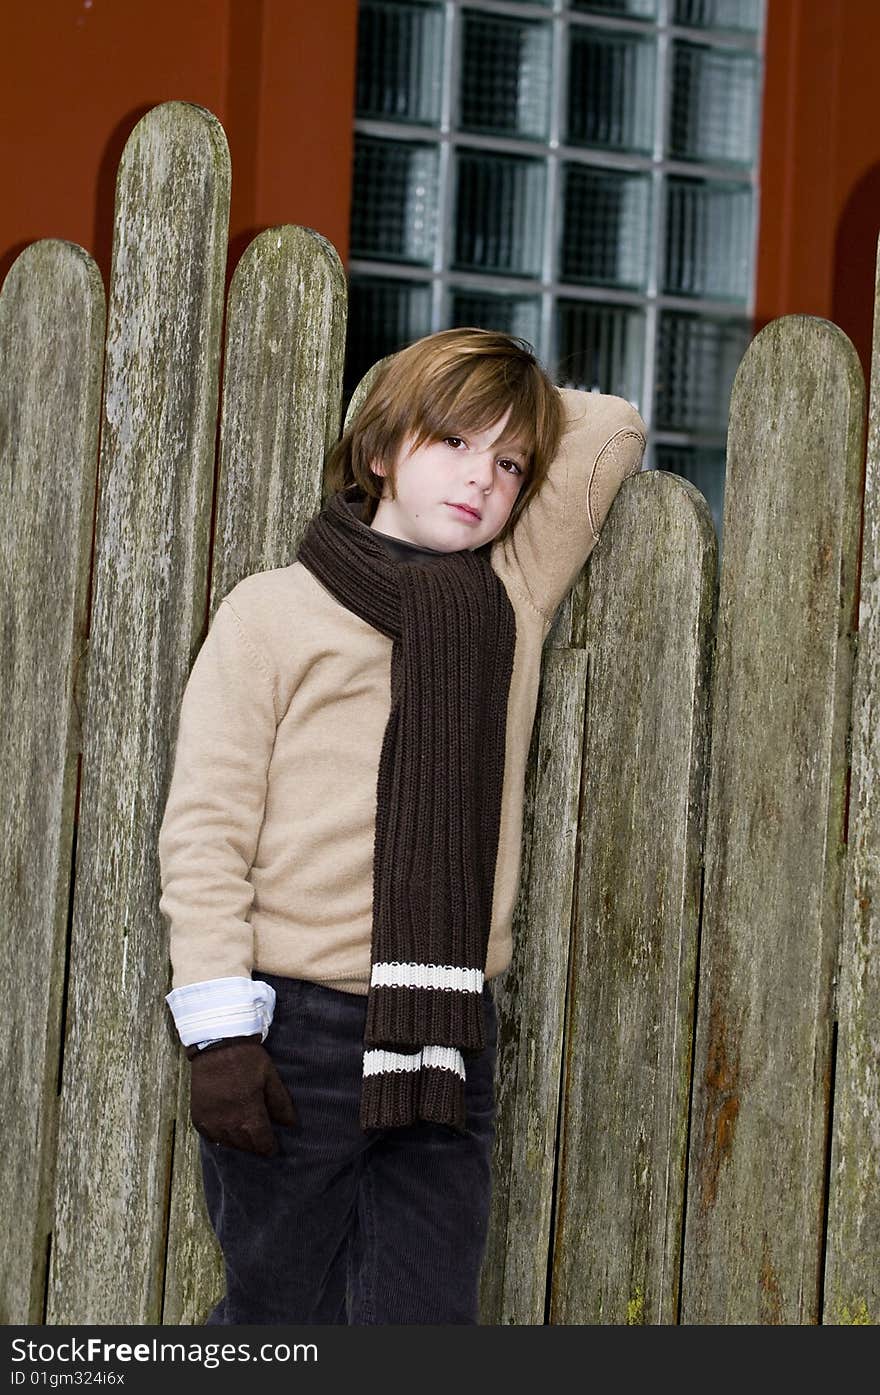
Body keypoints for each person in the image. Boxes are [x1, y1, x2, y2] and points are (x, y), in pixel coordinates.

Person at [158, 326, 646, 1325]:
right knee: (279, 1312)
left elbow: (611, 427)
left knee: (421, 1320)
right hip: (297, 1032)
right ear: (380, 448)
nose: (483, 481)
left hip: (444, 1033)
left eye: (509, 463)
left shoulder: (509, 598)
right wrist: (220, 1040)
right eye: (454, 443)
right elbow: (204, 829)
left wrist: (499, 392)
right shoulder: (275, 612)